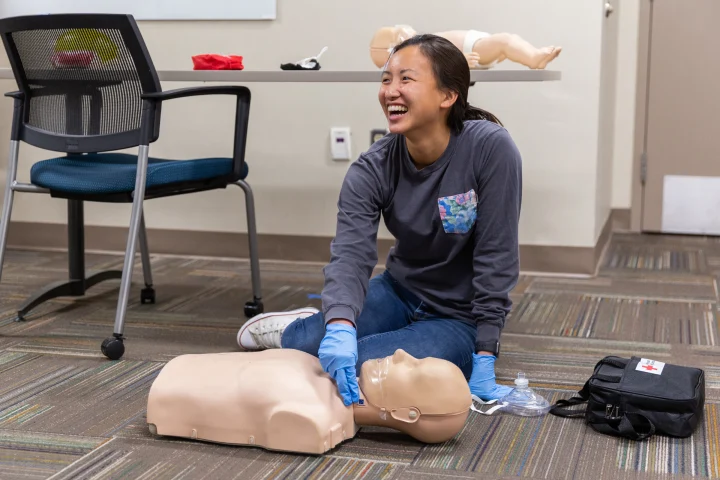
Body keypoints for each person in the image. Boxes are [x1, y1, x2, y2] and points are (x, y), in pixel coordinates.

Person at [237, 33, 522, 407]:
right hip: (399, 290)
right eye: (386, 79)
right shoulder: (372, 168)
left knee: (367, 367)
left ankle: (330, 319)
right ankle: (311, 322)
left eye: (407, 79)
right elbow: (351, 254)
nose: (391, 91)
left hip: (458, 316)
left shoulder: (490, 148)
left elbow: (496, 255)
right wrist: (339, 325)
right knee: (311, 348)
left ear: (447, 96)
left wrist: (486, 351)